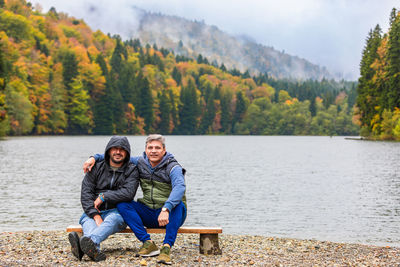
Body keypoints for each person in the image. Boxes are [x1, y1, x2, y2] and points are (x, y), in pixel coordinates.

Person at [83, 134, 186, 265]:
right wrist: (93, 158)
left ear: (164, 150)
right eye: (150, 147)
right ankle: (148, 243)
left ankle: (166, 248)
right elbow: (117, 156)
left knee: (179, 205)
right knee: (123, 204)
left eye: (157, 148)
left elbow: (180, 187)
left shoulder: (173, 167)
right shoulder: (140, 162)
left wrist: (166, 208)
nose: (153, 151)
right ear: (146, 149)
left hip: (171, 215)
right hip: (150, 213)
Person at [69, 136, 139, 262]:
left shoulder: (131, 170)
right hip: (93, 212)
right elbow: (86, 193)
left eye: (122, 150)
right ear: (108, 150)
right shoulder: (96, 167)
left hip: (117, 212)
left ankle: (85, 245)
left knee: (113, 219)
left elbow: (128, 193)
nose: (118, 152)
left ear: (127, 152)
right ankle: (91, 248)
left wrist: (104, 196)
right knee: (89, 222)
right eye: (115, 149)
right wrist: (95, 215)